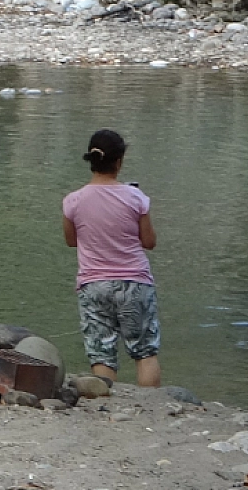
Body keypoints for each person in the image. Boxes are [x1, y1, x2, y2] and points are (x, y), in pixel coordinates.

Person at [63, 129, 162, 387]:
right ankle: (151, 408)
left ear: (91, 162)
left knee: (102, 353)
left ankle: (105, 405)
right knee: (145, 352)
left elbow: (71, 240)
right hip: (135, 283)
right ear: (119, 162)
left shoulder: (72, 201)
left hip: (93, 284)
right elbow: (149, 242)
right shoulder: (136, 198)